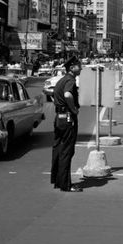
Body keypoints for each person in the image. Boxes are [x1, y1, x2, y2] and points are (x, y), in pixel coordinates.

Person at [51, 56, 82, 193]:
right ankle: (66, 184)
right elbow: (68, 95)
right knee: (67, 151)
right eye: (78, 66)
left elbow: (54, 96)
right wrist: (73, 109)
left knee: (58, 148)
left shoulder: (61, 80)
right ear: (71, 68)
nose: (80, 68)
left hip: (59, 117)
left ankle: (58, 180)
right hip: (68, 118)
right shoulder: (70, 80)